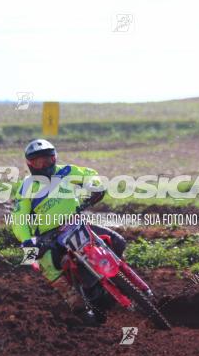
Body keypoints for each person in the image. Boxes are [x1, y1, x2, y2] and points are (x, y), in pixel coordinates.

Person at [10, 139, 125, 324]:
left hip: (76, 223)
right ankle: (78, 305)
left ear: (55, 158)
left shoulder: (67, 172)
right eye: (39, 162)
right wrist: (26, 240)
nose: (44, 165)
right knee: (48, 266)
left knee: (118, 241)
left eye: (48, 160)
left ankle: (119, 280)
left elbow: (90, 175)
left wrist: (94, 185)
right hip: (48, 236)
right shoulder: (26, 187)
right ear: (30, 164)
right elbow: (19, 218)